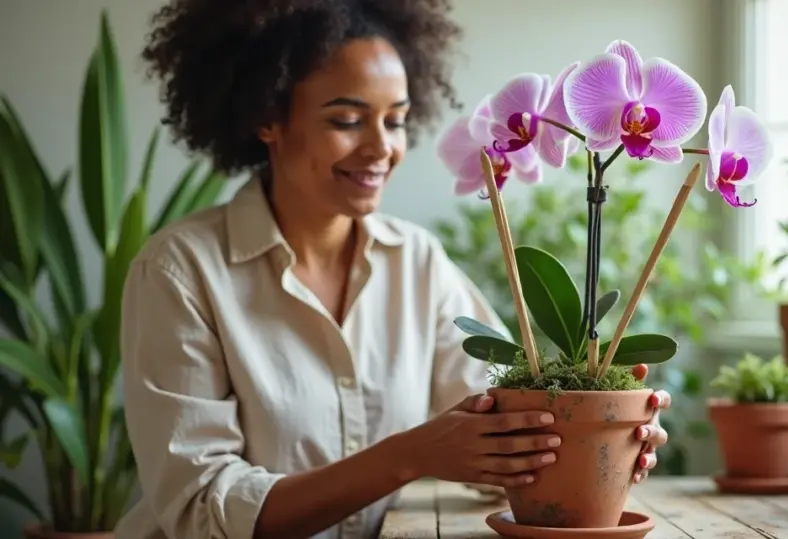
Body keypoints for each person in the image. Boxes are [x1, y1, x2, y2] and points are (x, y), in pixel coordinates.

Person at [115, 1, 672, 538]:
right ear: (268, 119)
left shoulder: (417, 261)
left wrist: (598, 433)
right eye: (348, 120)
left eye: (397, 121)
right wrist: (409, 456)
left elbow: (503, 411)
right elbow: (202, 511)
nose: (382, 148)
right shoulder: (181, 272)